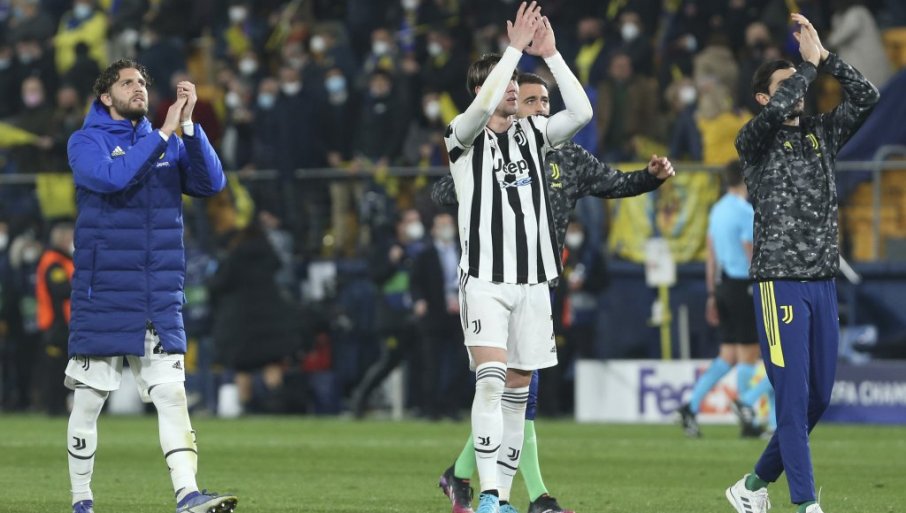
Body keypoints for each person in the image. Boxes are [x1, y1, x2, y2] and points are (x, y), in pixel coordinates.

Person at [435, 72, 673, 513]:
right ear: (513, 107)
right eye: (531, 101)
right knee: (509, 391)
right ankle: (533, 495)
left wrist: (651, 177)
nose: (541, 108)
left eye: (546, 101)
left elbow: (615, 184)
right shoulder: (495, 151)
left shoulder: (569, 156)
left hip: (542, 282)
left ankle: (466, 475)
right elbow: (445, 189)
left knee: (519, 392)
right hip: (494, 279)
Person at [64, 59, 238, 513]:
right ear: (106, 96)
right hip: (104, 291)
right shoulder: (86, 142)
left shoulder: (167, 141)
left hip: (157, 293)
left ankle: (188, 494)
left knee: (171, 393)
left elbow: (211, 183)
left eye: (142, 82)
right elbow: (113, 178)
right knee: (89, 399)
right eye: (127, 83)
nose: (138, 88)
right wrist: (163, 134)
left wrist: (190, 127)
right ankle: (82, 500)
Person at [725, 14, 878, 513]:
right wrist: (807, 70)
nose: (798, 90)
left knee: (818, 400)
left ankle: (751, 485)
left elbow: (868, 97)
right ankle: (806, 504)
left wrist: (827, 60)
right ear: (763, 98)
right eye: (784, 85)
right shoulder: (753, 141)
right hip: (779, 283)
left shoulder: (821, 133)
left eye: (799, 82)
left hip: (822, 281)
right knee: (792, 399)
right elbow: (786, 102)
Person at [443, 4, 593, 512]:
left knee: (517, 396)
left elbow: (582, 113)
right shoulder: (461, 138)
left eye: (515, 81)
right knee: (490, 382)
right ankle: (487, 495)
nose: (513, 88)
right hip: (486, 280)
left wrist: (550, 55)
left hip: (533, 284)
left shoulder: (532, 135)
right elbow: (483, 107)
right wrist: (511, 51)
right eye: (505, 83)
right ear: (483, 90)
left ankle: (502, 499)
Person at [676, 161, 772, 439]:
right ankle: (747, 412)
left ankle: (691, 407)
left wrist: (711, 294)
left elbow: (711, 254)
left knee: (728, 355)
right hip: (744, 286)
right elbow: (749, 248)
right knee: (749, 353)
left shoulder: (716, 210)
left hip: (722, 286)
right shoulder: (744, 211)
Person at [35, 222, 75, 415]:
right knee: (55, 367)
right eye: (70, 238)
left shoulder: (63, 260)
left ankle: (59, 405)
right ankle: (53, 406)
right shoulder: (53, 261)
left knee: (62, 366)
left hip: (62, 322)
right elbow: (61, 289)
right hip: (54, 323)